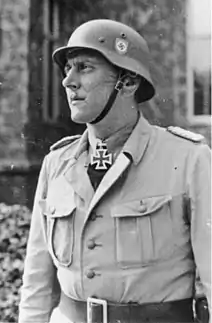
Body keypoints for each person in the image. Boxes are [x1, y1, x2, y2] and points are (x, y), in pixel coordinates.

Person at [18, 19, 211, 323]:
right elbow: (37, 286)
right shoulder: (56, 164)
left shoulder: (188, 160)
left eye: (84, 67)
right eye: (67, 69)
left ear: (129, 82)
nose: (68, 81)